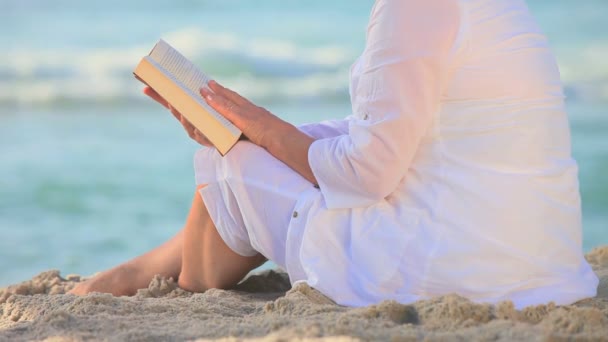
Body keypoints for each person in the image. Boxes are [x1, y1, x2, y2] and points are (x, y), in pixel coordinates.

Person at [70, 0, 598, 309]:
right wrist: (265, 131)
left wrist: (264, 132)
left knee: (229, 168)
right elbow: (403, 130)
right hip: (535, 258)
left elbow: (368, 174)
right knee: (256, 156)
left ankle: (181, 290)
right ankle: (137, 273)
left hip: (459, 266)